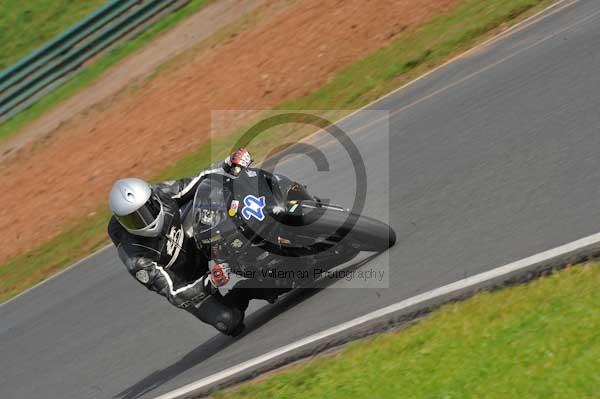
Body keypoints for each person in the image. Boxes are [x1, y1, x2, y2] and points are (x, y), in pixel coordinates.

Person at [107, 148, 255, 336]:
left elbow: (197, 182)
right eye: (133, 220)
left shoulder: (162, 193)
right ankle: (247, 289)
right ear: (121, 222)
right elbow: (174, 293)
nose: (143, 221)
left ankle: (259, 239)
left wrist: (228, 165)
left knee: (209, 201)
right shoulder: (136, 259)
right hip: (189, 281)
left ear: (152, 199)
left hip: (198, 245)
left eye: (145, 212)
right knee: (229, 321)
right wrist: (210, 280)